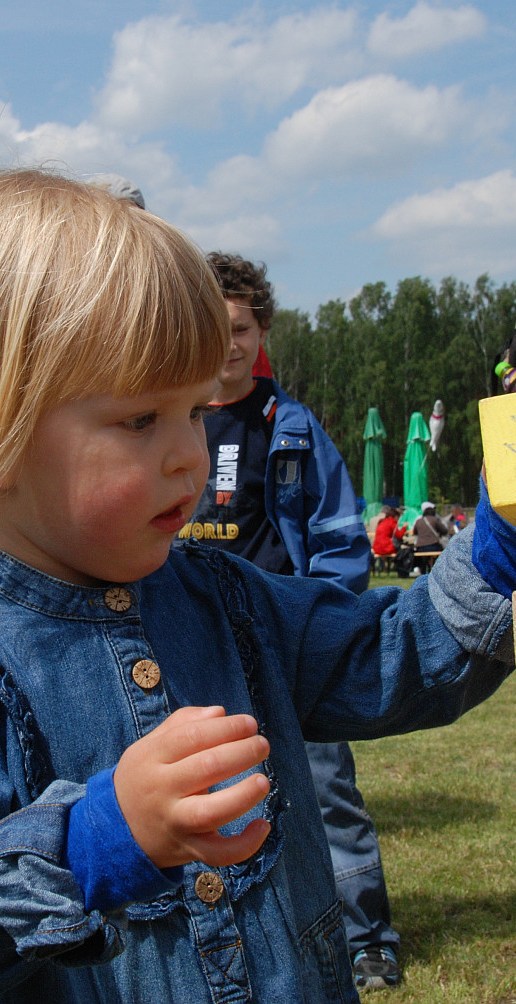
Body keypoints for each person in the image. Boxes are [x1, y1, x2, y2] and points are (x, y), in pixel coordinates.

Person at [0, 169, 516, 1003]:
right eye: (138, 420)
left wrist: (511, 547)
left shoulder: (232, 601)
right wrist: (95, 840)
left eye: (195, 412)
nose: (189, 455)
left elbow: (394, 657)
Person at [176, 251, 397, 990]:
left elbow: (338, 538)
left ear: (261, 331)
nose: (227, 345)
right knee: (214, 800)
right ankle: (241, 939)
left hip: (287, 641)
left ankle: (366, 935)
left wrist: (325, 627)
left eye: (241, 329)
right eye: (213, 329)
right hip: (196, 644)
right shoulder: (164, 421)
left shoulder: (291, 426)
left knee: (326, 793)